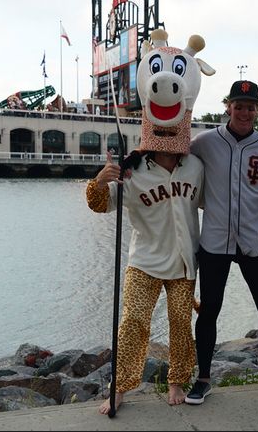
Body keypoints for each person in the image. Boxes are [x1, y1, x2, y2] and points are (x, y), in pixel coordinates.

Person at [185, 80, 258, 406]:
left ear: (257, 110)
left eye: (250, 106)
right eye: (239, 105)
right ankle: (203, 379)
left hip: (254, 240)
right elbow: (175, 158)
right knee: (209, 311)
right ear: (228, 106)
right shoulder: (206, 142)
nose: (245, 111)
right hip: (215, 240)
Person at [87, 145, 203, 413]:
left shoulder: (195, 166)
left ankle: (177, 381)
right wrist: (101, 180)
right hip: (144, 262)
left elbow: (211, 200)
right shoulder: (132, 171)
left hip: (184, 260)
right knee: (133, 321)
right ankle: (120, 388)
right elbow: (101, 204)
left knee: (181, 322)